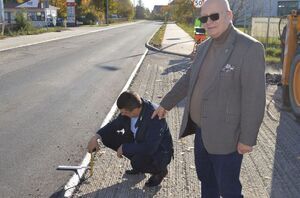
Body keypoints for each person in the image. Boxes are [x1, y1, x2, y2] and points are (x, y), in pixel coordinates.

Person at [152, 0, 266, 197]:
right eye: (204, 18)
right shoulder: (204, 46)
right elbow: (189, 78)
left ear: (229, 16)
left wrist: (247, 139)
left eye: (215, 16)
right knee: (207, 182)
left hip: (227, 137)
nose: (209, 22)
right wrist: (166, 103)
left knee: (228, 189)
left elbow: (254, 98)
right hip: (201, 132)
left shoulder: (249, 48)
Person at [87, 91, 173, 187]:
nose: (122, 114)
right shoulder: (130, 109)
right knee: (107, 136)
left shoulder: (155, 116)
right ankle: (139, 164)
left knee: (136, 162)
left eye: (125, 112)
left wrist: (125, 148)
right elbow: (114, 124)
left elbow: (150, 147)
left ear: (135, 109)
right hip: (139, 141)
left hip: (158, 152)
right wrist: (96, 137)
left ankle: (160, 171)